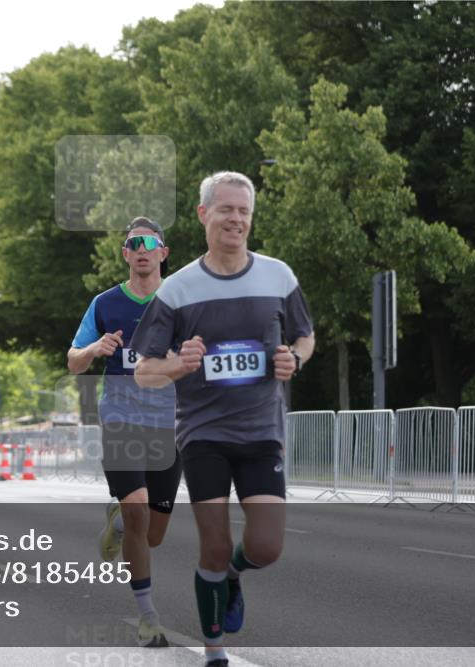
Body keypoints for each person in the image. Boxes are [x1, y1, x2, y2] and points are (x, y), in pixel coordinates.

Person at [132, 172, 315, 667]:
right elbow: (145, 372)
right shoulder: (178, 289)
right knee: (213, 544)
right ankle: (215, 653)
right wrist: (179, 363)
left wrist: (294, 360)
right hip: (203, 435)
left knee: (266, 546)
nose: (235, 219)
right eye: (226, 209)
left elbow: (305, 337)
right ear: (203, 214)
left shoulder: (279, 276)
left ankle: (234, 575)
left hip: (262, 433)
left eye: (244, 211)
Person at [67, 217, 182, 648]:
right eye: (134, 243)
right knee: (138, 512)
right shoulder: (106, 304)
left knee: (153, 533)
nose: (142, 249)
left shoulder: (182, 301)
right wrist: (96, 348)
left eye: (150, 242)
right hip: (121, 418)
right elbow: (73, 360)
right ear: (126, 254)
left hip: (168, 424)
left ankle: (117, 528)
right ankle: (148, 618)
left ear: (162, 253)